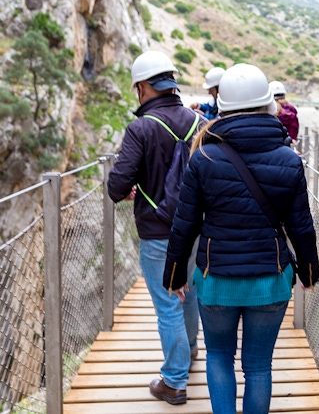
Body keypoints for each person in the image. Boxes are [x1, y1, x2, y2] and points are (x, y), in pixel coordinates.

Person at [163, 64, 319, 414]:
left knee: (219, 356)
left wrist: (174, 276)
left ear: (222, 107)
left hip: (217, 280)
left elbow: (184, 224)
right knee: (259, 365)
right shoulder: (289, 160)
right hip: (270, 280)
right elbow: (301, 226)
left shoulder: (203, 156)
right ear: (269, 106)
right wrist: (309, 272)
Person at [107, 50, 204, 405]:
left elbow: (117, 185)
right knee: (188, 292)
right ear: (172, 83)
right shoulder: (197, 122)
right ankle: (190, 352)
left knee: (167, 303)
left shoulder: (141, 127)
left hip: (158, 232)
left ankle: (175, 381)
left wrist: (132, 186)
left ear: (144, 87)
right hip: (194, 228)